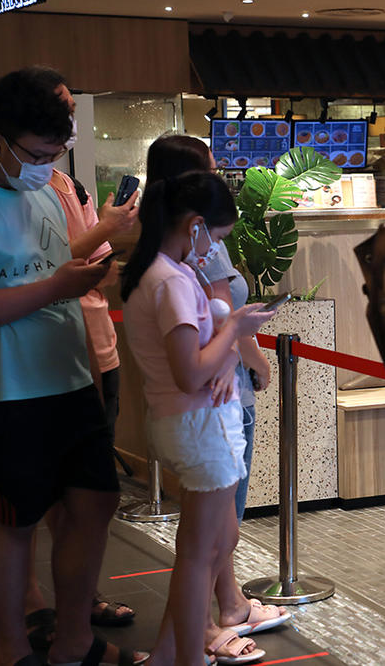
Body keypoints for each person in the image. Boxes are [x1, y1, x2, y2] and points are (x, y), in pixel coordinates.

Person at [0, 67, 143, 666]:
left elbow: (53, 267)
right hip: (4, 387)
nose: (46, 164)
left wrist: (87, 264)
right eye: (38, 153)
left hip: (67, 373)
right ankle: (14, 651)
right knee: (14, 520)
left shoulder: (43, 190)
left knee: (95, 501)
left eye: (55, 152)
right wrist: (57, 286)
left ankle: (73, 641)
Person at [121, 171, 277, 664]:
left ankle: (173, 652)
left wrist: (228, 346)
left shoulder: (169, 272)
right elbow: (190, 373)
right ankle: (187, 656)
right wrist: (236, 327)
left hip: (198, 422)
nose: (213, 252)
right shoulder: (169, 279)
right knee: (199, 553)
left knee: (217, 539)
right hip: (197, 423)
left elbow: (201, 358)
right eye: (216, 238)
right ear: (195, 226)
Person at [21, 71, 141, 653]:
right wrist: (105, 232)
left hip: (93, 346)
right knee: (39, 502)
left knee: (90, 495)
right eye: (61, 113)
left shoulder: (65, 181)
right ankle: (40, 612)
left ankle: (77, 603)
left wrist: (107, 238)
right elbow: (31, 270)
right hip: (43, 357)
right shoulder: (12, 190)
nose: (68, 127)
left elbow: (88, 262)